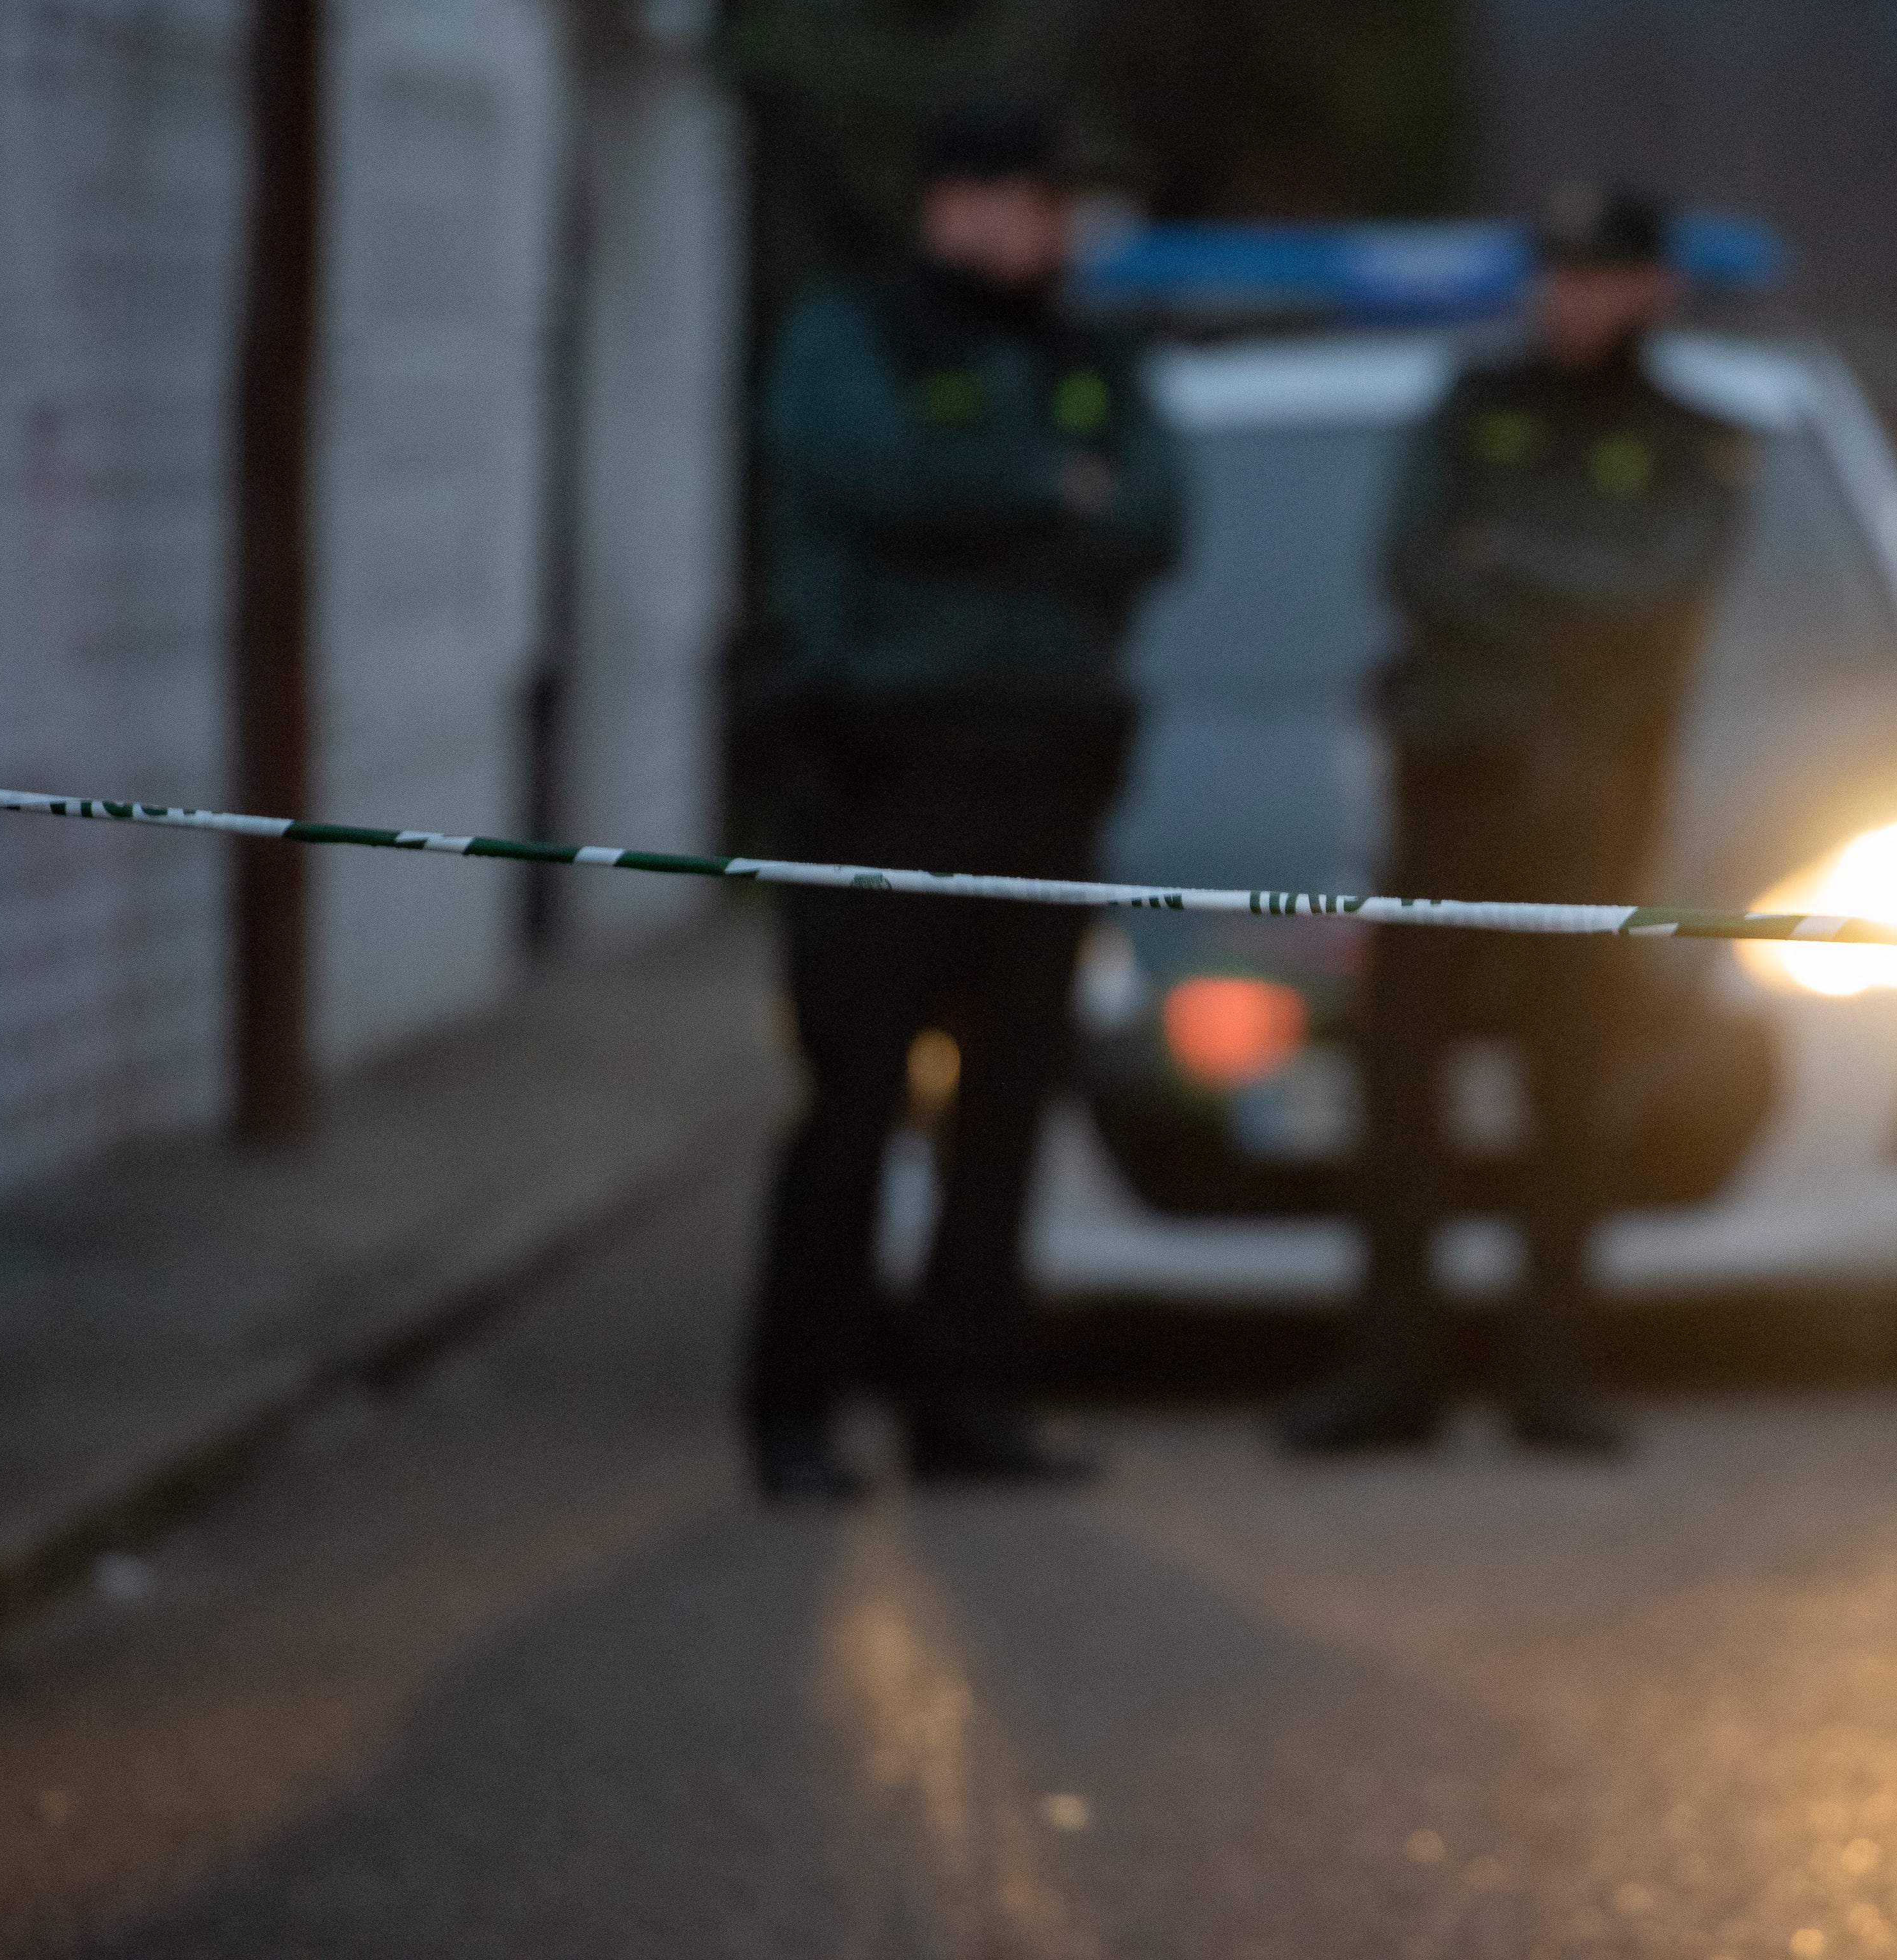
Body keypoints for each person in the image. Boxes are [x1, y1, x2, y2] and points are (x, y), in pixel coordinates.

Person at [743, 94, 1184, 1502]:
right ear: (954, 203)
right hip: (882, 775)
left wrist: (1001, 504)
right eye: (1031, 201)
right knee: (852, 1099)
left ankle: (968, 1400)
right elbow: (874, 477)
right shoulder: (854, 334)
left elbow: (1156, 514)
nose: (1054, 232)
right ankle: (798, 1411)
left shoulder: (1086, 354)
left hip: (1042, 777)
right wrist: (1041, 488)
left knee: (1005, 1108)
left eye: (1062, 206)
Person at [1279, 182, 1753, 1459]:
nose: (1567, 297)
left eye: (1595, 276)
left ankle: (1556, 1371)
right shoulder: (1470, 406)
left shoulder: (1694, 437)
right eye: (1552, 274)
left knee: (1571, 1088)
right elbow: (1418, 563)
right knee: (1399, 1080)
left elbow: (1655, 592)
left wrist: (1513, 565)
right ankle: (1393, 1371)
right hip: (1448, 799)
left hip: (1592, 817)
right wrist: (1563, 594)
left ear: (1653, 288)